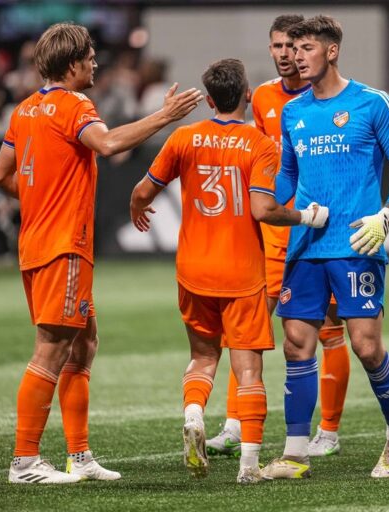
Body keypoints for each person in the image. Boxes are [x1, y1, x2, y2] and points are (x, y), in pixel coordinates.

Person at [0, 22, 202, 484]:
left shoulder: (25, 109)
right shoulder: (73, 104)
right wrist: (165, 116)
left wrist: (40, 197)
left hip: (37, 243)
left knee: (83, 345)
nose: (95, 64)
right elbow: (106, 144)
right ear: (72, 65)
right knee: (52, 349)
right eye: (90, 57)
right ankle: (24, 462)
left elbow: (0, 176)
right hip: (64, 245)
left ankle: (79, 456)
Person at [129, 58, 328, 484]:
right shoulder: (259, 144)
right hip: (241, 273)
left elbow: (143, 190)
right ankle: (249, 467)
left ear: (208, 97)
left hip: (193, 270)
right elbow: (264, 209)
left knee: (202, 357)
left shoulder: (185, 137)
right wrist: (305, 217)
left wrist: (137, 208)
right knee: (249, 369)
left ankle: (194, 413)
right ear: (245, 96)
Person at [260, 15, 389, 480]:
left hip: (355, 243)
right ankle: (295, 454)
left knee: (367, 348)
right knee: (296, 344)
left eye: (305, 47)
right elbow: (289, 174)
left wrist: (386, 214)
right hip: (306, 245)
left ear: (331, 51)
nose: (295, 56)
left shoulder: (372, 103)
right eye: (291, 48)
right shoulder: (295, 112)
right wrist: (265, 196)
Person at [206, 14, 350, 460]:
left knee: (328, 330)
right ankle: (233, 425)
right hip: (273, 233)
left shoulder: (321, 95)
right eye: (278, 46)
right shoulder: (266, 97)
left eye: (293, 45)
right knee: (246, 328)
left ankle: (329, 428)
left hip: (315, 234)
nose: (286, 53)